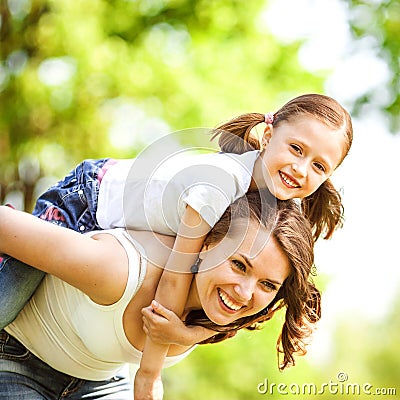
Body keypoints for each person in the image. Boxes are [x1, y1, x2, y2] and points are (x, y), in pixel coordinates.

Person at [0, 93, 351, 397]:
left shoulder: (271, 203)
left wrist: (187, 331)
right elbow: (174, 276)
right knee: (7, 301)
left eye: (319, 166)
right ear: (269, 134)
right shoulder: (220, 185)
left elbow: (234, 301)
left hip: (95, 355)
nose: (301, 169)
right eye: (296, 149)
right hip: (86, 199)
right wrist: (150, 373)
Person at [0, 191, 320, 399]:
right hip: (18, 362)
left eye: (268, 285)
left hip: (99, 382)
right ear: (205, 242)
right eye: (238, 264)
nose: (245, 292)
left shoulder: (223, 310)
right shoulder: (118, 270)